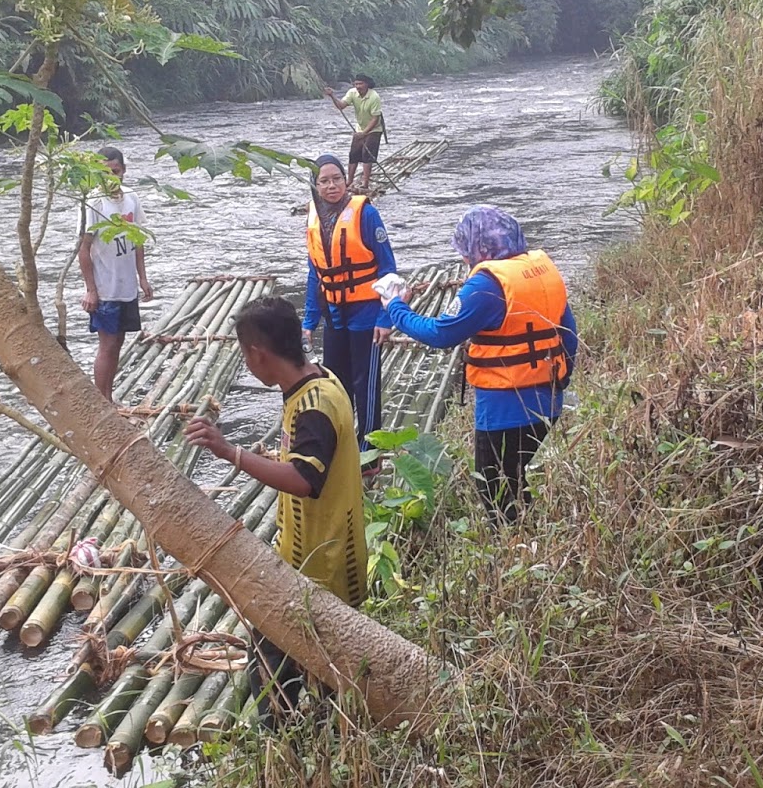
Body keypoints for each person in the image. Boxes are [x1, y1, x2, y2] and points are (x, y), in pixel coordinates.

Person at [185, 296, 367, 721]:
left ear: (257, 354)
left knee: (271, 677)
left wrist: (230, 452)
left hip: (320, 567)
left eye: (245, 354)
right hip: (320, 557)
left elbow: (304, 480)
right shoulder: (325, 379)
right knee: (318, 677)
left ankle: (289, 749)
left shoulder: (313, 407)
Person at [382, 206, 578, 523]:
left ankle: (517, 550)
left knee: (494, 489)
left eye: (465, 250)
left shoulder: (486, 286)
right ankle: (532, 540)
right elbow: (569, 335)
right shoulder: (542, 272)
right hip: (548, 400)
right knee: (516, 478)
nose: (463, 259)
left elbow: (441, 333)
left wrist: (396, 309)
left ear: (481, 247)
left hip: (503, 408)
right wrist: (559, 382)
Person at [303, 154, 397, 457]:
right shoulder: (314, 218)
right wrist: (309, 320)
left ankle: (370, 451)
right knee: (336, 382)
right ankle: (343, 443)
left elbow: (388, 269)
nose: (332, 186)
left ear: (346, 180)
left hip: (366, 312)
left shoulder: (366, 214)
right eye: (324, 181)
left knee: (365, 384)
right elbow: (314, 273)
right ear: (316, 186)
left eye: (337, 179)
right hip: (334, 313)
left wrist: (386, 317)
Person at [77, 146, 152, 402]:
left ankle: (108, 396)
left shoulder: (131, 198)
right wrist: (91, 289)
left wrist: (142, 278)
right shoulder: (95, 203)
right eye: (104, 173)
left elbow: (137, 239)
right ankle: (103, 401)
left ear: (124, 171)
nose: (111, 178)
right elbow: (84, 249)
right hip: (106, 287)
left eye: (116, 172)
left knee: (118, 342)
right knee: (107, 344)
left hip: (126, 284)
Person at [323, 74, 383, 191]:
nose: (358, 86)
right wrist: (332, 96)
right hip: (360, 128)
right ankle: (349, 181)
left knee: (367, 155)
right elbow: (341, 106)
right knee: (353, 154)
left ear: (366, 84)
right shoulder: (352, 93)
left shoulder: (374, 96)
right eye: (356, 84)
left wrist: (364, 133)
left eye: (360, 84)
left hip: (374, 129)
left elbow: (375, 119)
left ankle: (365, 182)